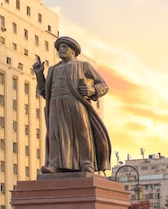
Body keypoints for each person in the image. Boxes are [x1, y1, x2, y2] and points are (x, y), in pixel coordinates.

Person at [32, 36, 111, 175]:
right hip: (56, 103)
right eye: (59, 48)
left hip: (75, 102)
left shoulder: (83, 66)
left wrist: (93, 90)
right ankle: (55, 164)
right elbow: (45, 92)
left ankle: (86, 163)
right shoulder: (52, 70)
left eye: (65, 47)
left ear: (73, 51)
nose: (61, 50)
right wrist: (39, 75)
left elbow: (103, 85)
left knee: (82, 131)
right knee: (55, 134)